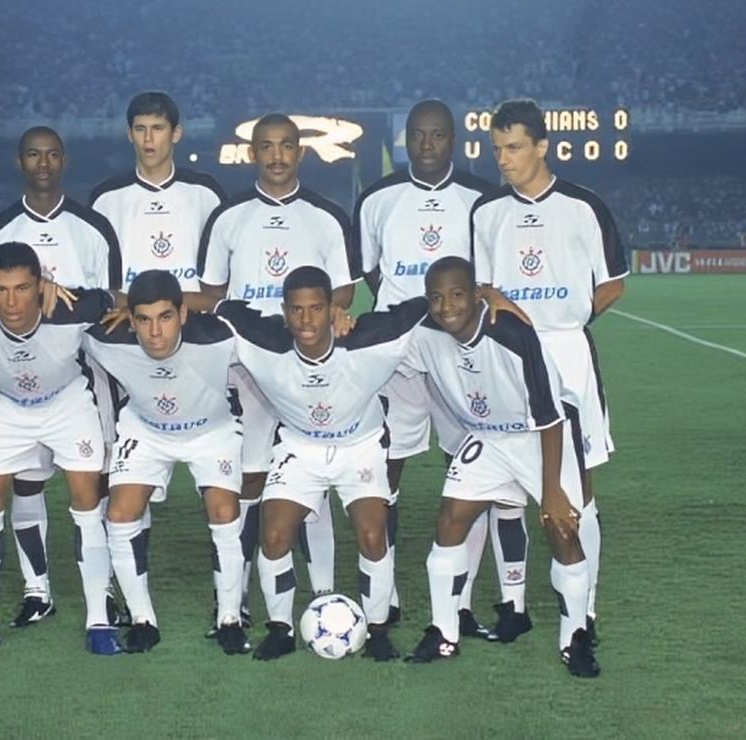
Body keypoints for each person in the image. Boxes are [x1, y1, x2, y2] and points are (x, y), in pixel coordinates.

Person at [472, 98, 628, 643]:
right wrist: (501, 303)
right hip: (509, 358)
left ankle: (584, 610)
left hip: (566, 352)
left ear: (541, 146)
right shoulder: (486, 212)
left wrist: (567, 316)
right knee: (506, 487)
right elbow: (482, 284)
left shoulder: (584, 206)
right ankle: (512, 606)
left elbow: (613, 282)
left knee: (578, 487)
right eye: (497, 150)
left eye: (513, 148)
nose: (504, 160)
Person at [355, 99, 512, 635]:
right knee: (386, 468)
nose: (427, 145)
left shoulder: (481, 200)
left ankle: (460, 602)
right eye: (418, 135)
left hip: (459, 351)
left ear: (454, 140)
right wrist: (406, 316)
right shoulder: (377, 198)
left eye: (437, 135)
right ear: (405, 140)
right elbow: (370, 272)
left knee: (471, 469)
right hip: (398, 352)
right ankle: (387, 592)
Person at [214, 266, 427, 661]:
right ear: (284, 311)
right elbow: (222, 308)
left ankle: (377, 631)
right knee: (274, 536)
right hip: (300, 447)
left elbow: (426, 307)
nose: (306, 320)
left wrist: (484, 294)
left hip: (359, 446)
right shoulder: (265, 342)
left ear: (334, 309)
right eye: (296, 310)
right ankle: (280, 629)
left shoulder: (368, 341)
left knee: (371, 535)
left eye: (316, 309)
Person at [401, 256, 599, 678]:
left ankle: (576, 638)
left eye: (457, 295)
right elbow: (379, 329)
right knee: (451, 518)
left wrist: (552, 491)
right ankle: (444, 631)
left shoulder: (511, 334)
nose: (446, 306)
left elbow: (548, 415)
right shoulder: (423, 333)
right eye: (435, 298)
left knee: (561, 527)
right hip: (487, 438)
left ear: (476, 295)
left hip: (539, 433)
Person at [197, 114, 360, 620]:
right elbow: (211, 294)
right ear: (252, 154)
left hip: (308, 363)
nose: (276, 156)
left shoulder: (326, 217)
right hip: (247, 369)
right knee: (247, 480)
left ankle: (324, 593)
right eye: (265, 147)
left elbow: (345, 289)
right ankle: (239, 596)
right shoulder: (228, 218)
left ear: (300, 153)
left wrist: (325, 318)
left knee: (314, 475)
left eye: (286, 146)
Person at [0, 242, 123, 656]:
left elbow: (119, 300)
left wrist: (124, 307)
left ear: (41, 284)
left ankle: (99, 619)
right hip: (6, 407)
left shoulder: (73, 307)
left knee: (86, 499)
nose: (11, 301)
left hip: (66, 403)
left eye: (22, 288)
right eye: (1, 289)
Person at [0, 126, 123, 628]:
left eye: (52, 155)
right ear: (20, 161)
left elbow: (114, 303)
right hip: (15, 382)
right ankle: (37, 589)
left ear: (65, 160)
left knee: (94, 485)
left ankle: (103, 588)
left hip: (82, 378)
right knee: (26, 484)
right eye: (33, 155)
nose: (43, 163)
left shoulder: (93, 228)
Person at [83, 270, 249, 655]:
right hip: (147, 430)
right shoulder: (105, 339)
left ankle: (229, 619)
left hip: (212, 430)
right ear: (132, 318)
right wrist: (112, 301)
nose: (154, 332)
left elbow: (261, 323)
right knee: (121, 513)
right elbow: (65, 312)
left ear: (183, 314)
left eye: (165, 317)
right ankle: (143, 620)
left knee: (223, 511)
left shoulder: (219, 339)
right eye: (143, 319)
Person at [90, 91, 224, 293]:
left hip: (195, 318)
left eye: (158, 128)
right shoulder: (105, 198)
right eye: (140, 129)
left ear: (176, 133)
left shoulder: (206, 193)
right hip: (129, 319)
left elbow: (221, 269)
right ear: (129, 134)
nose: (148, 139)